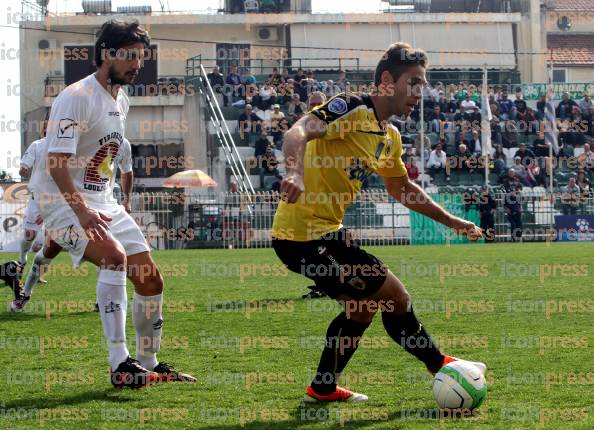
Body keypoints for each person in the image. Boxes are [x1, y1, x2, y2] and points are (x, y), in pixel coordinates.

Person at [271, 42, 485, 403]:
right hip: (301, 237)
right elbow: (298, 132)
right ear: (387, 80)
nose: (420, 92)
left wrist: (452, 222)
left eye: (423, 84)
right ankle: (441, 366)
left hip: (327, 234)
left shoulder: (389, 137)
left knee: (362, 307)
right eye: (414, 82)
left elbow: (402, 187)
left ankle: (322, 387)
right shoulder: (351, 108)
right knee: (394, 297)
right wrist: (295, 173)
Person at [29, 20, 194, 388]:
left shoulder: (121, 98)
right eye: (130, 56)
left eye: (142, 57)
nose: (138, 64)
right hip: (63, 202)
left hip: (104, 200)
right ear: (106, 54)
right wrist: (83, 212)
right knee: (113, 258)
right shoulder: (76, 97)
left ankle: (148, 363)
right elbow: (56, 164)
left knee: (151, 280)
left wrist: (107, 202)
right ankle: (120, 363)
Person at [18, 120, 49, 269]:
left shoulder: (69, 147)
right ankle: (22, 257)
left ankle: (39, 273)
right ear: (44, 129)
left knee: (50, 242)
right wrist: (23, 168)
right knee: (29, 235)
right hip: (37, 198)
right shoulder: (37, 145)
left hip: (58, 201)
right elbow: (25, 165)